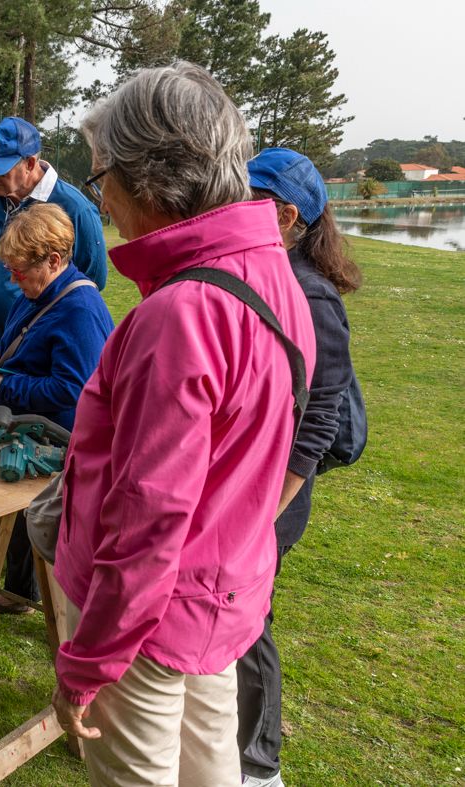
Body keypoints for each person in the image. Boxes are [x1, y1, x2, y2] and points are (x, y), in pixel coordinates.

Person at [49, 62, 316, 786]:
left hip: (146, 622)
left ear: (147, 176)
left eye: (100, 170)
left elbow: (146, 521)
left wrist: (84, 663)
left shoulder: (178, 314)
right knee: (212, 772)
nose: (97, 193)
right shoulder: (271, 274)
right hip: (219, 597)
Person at [237, 147, 363, 787]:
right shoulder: (268, 274)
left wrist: (266, 510)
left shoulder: (310, 294)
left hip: (276, 496)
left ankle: (259, 766)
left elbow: (318, 422)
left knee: (247, 623)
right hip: (250, 489)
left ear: (286, 215)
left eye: (248, 198)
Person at [0, 204, 112, 614]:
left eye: (19, 270)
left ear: (55, 260)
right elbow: (26, 349)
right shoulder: (37, 292)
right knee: (24, 515)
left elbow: (74, 390)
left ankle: (28, 594)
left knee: (40, 517)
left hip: (58, 437)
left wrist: (4, 383)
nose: (12, 278)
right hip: (32, 426)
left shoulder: (79, 309)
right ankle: (20, 584)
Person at [0, 116, 108, 348]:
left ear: (30, 163)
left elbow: (91, 281)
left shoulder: (76, 208)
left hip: (37, 351)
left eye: (0, 171)